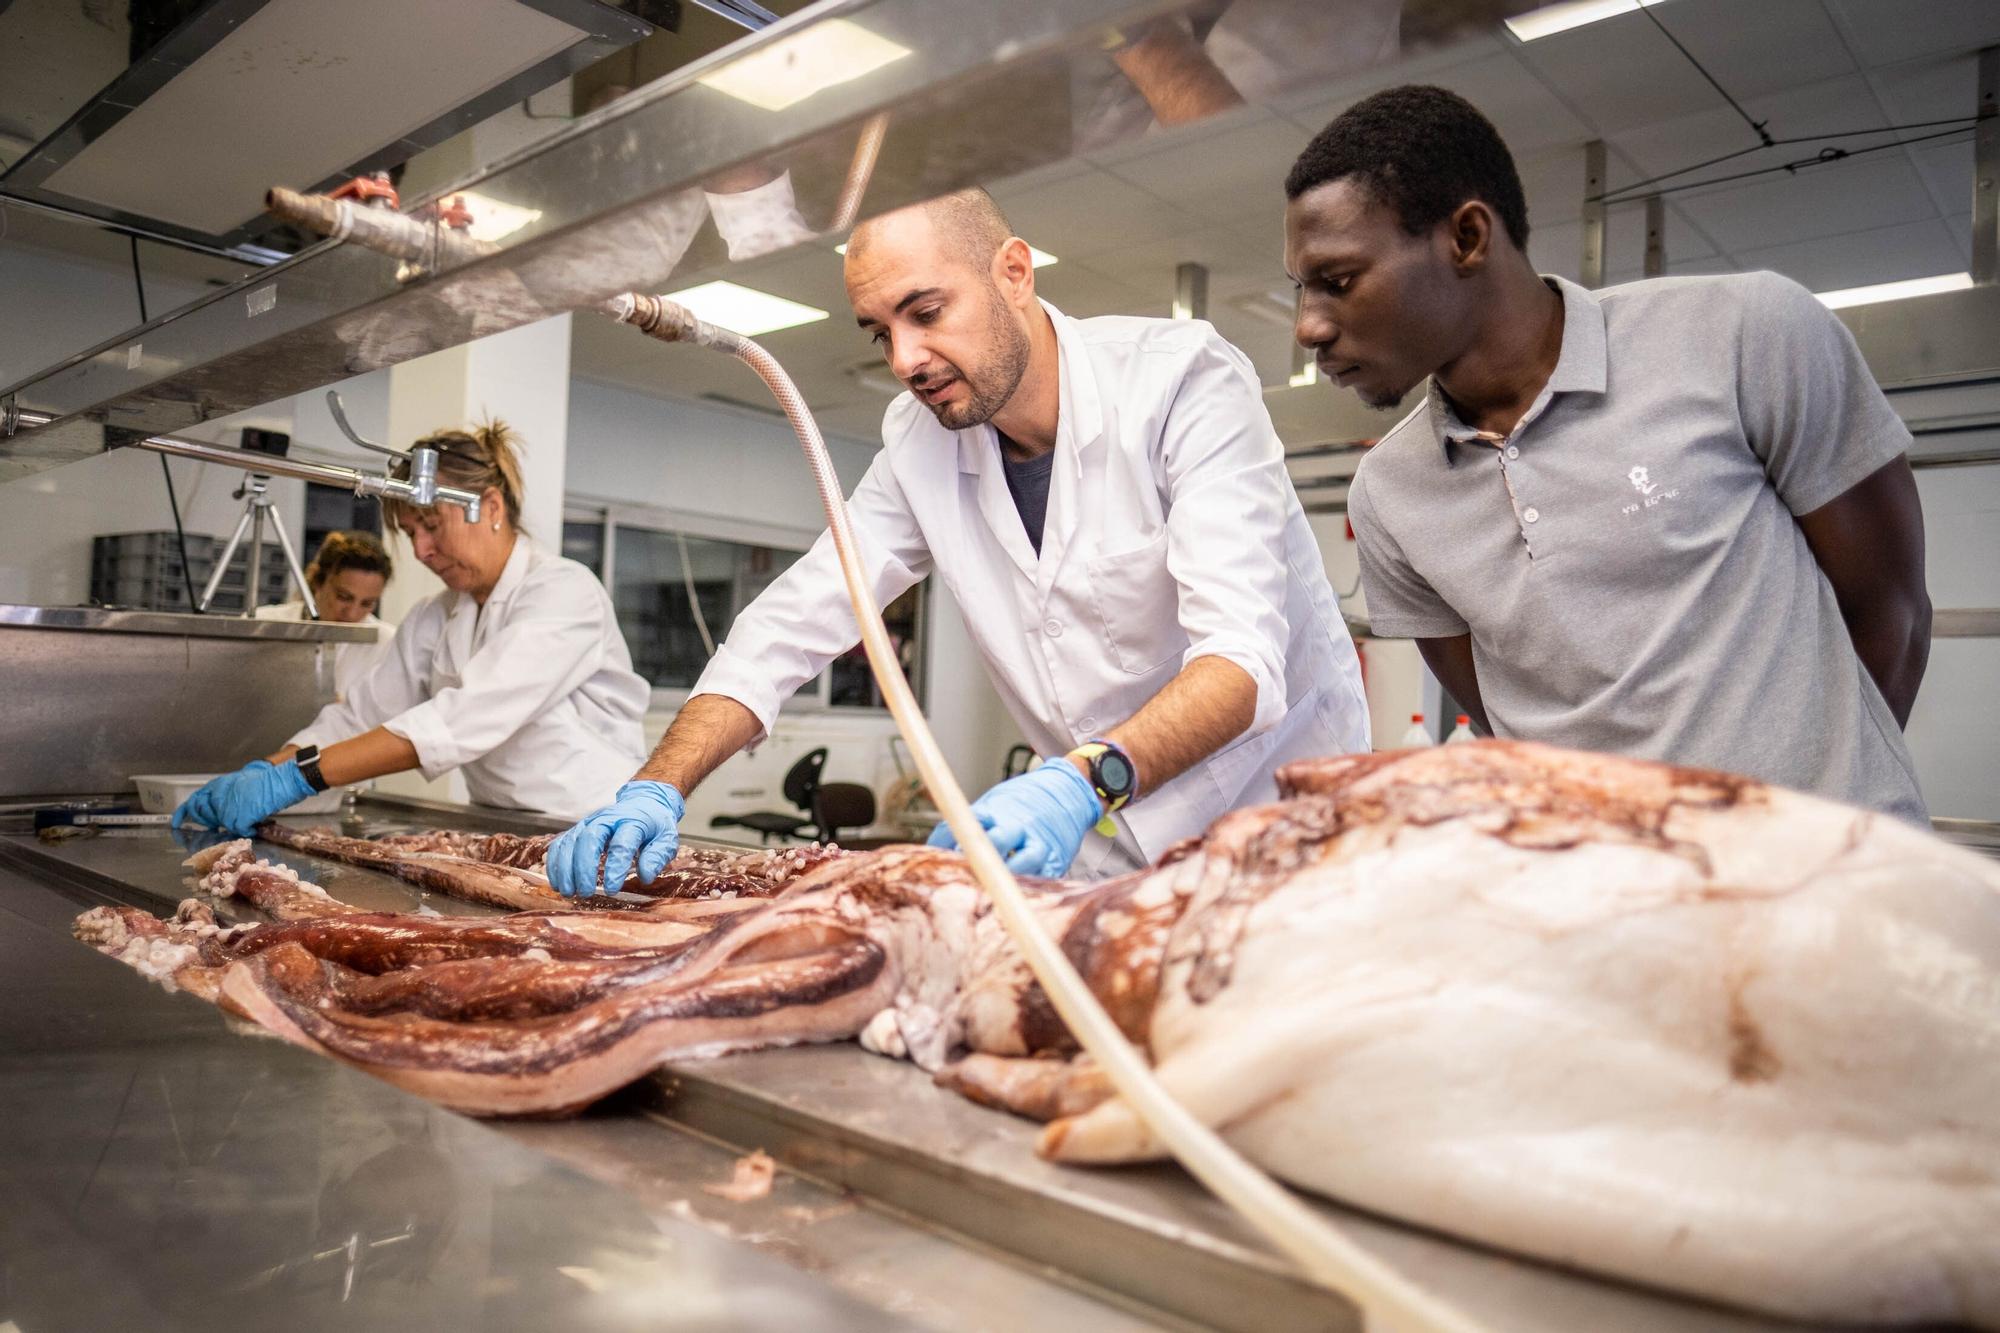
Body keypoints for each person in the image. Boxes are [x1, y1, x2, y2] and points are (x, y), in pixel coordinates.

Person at [547, 188, 1370, 896]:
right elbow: (790, 624)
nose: (906, 359)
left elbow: (1242, 663)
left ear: (1013, 271)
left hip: (1279, 827)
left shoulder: (1182, 381)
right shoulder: (919, 441)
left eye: (926, 312)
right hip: (1106, 845)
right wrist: (654, 786)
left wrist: (1078, 782)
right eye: (880, 332)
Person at [1282, 86, 1930, 821]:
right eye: (1302, 290)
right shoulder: (1390, 492)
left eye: (1336, 283)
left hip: (1823, 876)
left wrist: (1821, 818)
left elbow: (1893, 615)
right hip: (1616, 904)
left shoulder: (1744, 333)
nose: (1308, 328)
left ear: (1466, 237)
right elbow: (1504, 719)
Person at [175, 422, 649, 833]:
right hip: (501, 822)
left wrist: (300, 778)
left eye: (431, 525)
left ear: (490, 507)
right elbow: (359, 716)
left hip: (595, 823)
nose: (422, 551)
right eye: (410, 534)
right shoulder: (435, 614)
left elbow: (465, 716)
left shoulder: (565, 591)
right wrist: (265, 770)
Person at [252, 529, 397, 699]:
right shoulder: (263, 626)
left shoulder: (387, 644)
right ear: (317, 581)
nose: (352, 614)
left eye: (367, 603)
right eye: (343, 597)